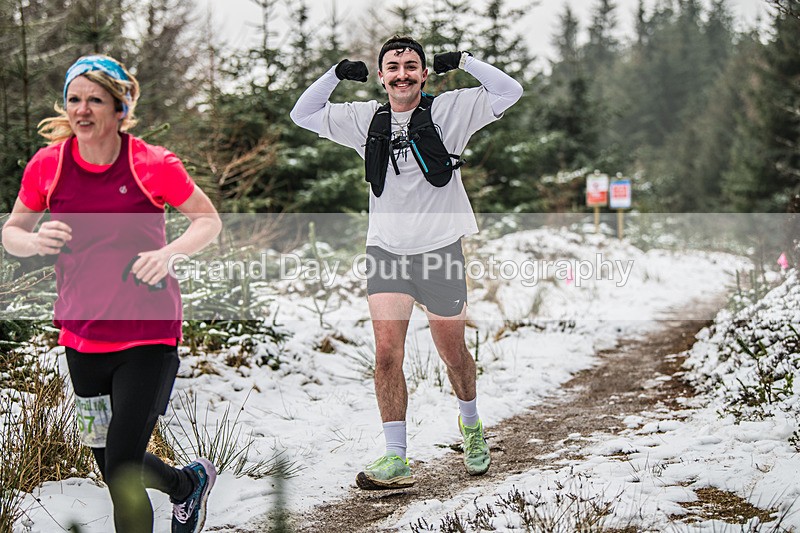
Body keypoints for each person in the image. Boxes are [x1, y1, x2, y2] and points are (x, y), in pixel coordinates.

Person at [291, 36, 523, 489]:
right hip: (386, 253)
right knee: (386, 355)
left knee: (452, 353)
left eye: (411, 66)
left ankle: (471, 425)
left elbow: (508, 91)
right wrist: (336, 75)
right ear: (381, 76)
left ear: (424, 73)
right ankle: (396, 458)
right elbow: (303, 113)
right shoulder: (365, 119)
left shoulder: (451, 111)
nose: (402, 74)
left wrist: (466, 61)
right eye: (393, 67)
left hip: (439, 251)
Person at [1, 55, 222, 532]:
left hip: (147, 334)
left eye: (95, 100)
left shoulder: (151, 163)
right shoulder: (48, 165)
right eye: (74, 99)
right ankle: (187, 484)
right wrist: (33, 241)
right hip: (80, 336)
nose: (82, 109)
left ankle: (182, 489)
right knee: (109, 461)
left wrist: (169, 253)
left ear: (121, 108)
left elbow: (207, 220)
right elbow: (12, 232)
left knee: (122, 465)